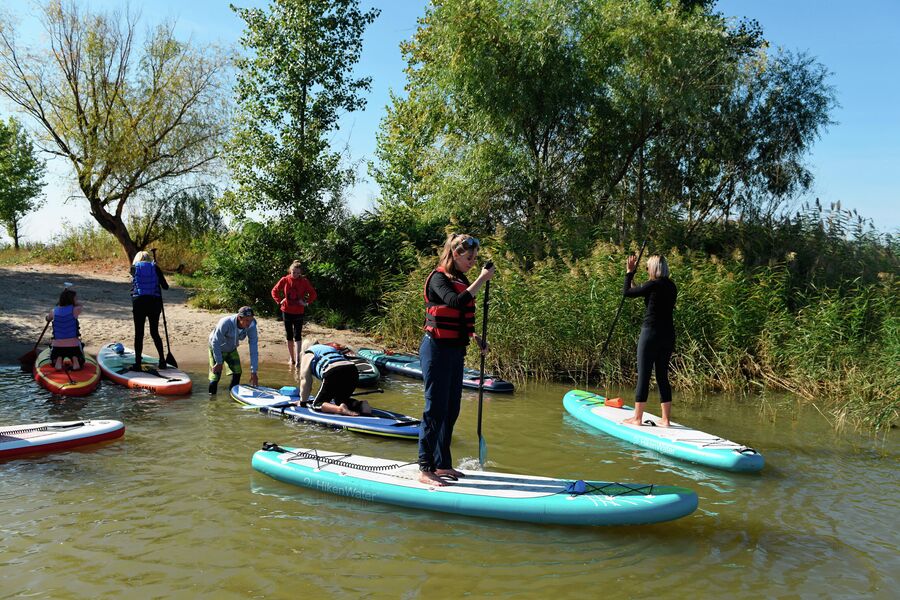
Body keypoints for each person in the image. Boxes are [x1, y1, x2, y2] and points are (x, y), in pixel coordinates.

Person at [418, 233, 494, 486]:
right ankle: (425, 468)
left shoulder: (461, 279)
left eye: (475, 258)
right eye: (468, 257)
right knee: (435, 409)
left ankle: (442, 464)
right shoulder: (439, 278)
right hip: (436, 349)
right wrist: (482, 280)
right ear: (455, 254)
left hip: (454, 350)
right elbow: (454, 301)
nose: (473, 262)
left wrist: (474, 335)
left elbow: (458, 312)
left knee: (451, 410)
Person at [622, 254, 677, 427]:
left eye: (647, 267)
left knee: (644, 375)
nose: (647, 270)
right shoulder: (671, 286)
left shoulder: (652, 285)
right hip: (668, 335)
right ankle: (666, 420)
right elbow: (639, 290)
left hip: (650, 334)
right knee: (662, 376)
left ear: (653, 269)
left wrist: (629, 273)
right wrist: (633, 278)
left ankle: (637, 419)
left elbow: (627, 293)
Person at [295, 339, 369, 416]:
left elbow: (305, 381)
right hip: (352, 370)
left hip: (333, 370)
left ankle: (340, 409)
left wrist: (302, 402)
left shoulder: (308, 354)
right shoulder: (329, 348)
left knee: (317, 404)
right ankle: (360, 404)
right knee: (340, 400)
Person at [271, 260, 317, 367]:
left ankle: (297, 359)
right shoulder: (285, 279)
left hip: (298, 311)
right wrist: (279, 300)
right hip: (286, 311)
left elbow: (313, 294)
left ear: (300, 273)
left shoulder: (304, 281)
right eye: (293, 272)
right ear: (290, 271)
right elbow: (274, 290)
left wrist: (306, 302)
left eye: (297, 273)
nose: (295, 274)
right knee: (289, 335)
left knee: (297, 335)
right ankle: (291, 358)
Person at [130, 250, 169, 371]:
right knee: (154, 332)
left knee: (139, 333)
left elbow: (136, 283)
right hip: (154, 302)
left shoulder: (133, 268)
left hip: (139, 302)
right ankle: (162, 360)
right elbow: (165, 287)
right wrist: (157, 271)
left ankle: (137, 364)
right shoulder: (155, 267)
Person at [208, 306, 259, 394]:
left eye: (251, 320)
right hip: (217, 347)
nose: (249, 323)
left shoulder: (252, 325)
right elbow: (215, 342)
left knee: (237, 373)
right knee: (215, 377)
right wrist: (219, 362)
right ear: (239, 318)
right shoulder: (225, 322)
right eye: (247, 320)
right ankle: (212, 400)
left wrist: (254, 371)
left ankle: (232, 395)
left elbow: (253, 348)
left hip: (231, 348)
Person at [46, 285, 85, 371]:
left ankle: (59, 361)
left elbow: (48, 318)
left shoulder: (54, 311)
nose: (77, 300)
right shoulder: (75, 310)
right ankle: (75, 361)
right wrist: (75, 303)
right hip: (73, 344)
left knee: (59, 352)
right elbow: (81, 306)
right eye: (75, 299)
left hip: (58, 345)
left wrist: (59, 304)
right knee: (75, 352)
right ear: (71, 300)